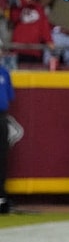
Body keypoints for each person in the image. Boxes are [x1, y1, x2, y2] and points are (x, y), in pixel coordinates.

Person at [0, 60, 13, 214]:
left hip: (2, 117)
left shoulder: (4, 72)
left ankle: (1, 197)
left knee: (2, 158)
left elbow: (9, 97)